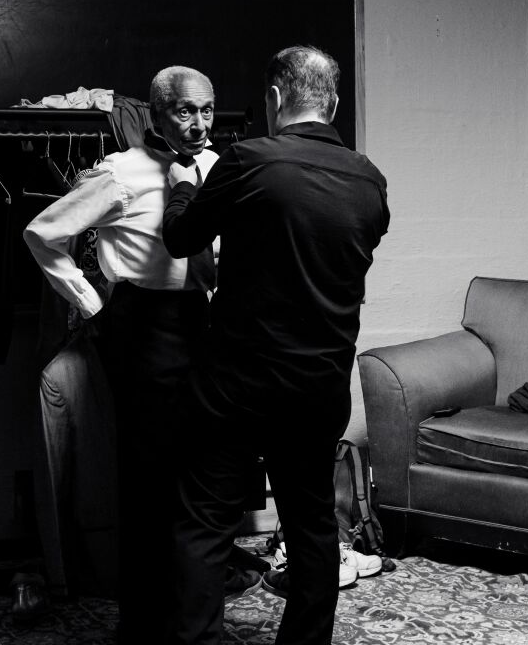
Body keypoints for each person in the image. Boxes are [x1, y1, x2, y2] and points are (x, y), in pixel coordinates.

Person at [161, 45, 390, 645]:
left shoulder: (246, 159)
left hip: (236, 382)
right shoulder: (370, 180)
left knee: (204, 521)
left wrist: (185, 184)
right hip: (318, 386)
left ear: (273, 99)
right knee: (312, 522)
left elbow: (183, 238)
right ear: (333, 103)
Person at [25, 65, 227, 645]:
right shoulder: (120, 173)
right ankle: (140, 625)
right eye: (185, 111)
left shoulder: (218, 170)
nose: (198, 124)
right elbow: (43, 234)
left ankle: (189, 619)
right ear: (157, 114)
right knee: (146, 483)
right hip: (143, 326)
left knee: (200, 480)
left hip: (204, 325)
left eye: (207, 110)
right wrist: (94, 305)